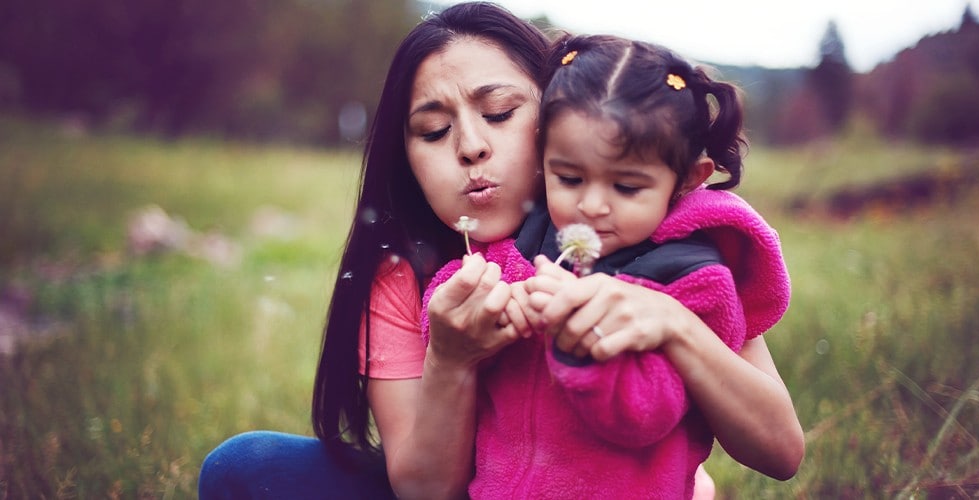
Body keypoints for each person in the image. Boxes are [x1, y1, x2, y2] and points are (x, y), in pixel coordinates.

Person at [198, 3, 803, 499]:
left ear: (564, 116)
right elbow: (425, 490)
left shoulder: (664, 242)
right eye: (432, 131)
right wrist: (452, 361)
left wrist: (671, 325)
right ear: (404, 157)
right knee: (245, 468)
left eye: (500, 112)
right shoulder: (407, 274)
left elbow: (781, 450)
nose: (469, 146)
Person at [416, 33, 791, 498]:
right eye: (570, 178)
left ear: (686, 180)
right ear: (543, 154)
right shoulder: (523, 243)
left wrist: (582, 346)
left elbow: (644, 415)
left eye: (628, 187)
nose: (592, 206)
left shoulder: (695, 282)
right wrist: (472, 311)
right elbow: (457, 297)